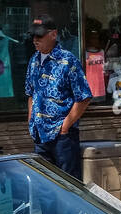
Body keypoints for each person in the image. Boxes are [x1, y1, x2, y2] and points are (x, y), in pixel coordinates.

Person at [25, 15, 93, 179]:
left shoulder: (68, 60)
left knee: (67, 184)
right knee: (45, 184)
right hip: (40, 134)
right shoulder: (34, 60)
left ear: (53, 34)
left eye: (39, 36)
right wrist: (31, 119)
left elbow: (84, 97)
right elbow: (30, 93)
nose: (35, 40)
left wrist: (65, 126)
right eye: (33, 36)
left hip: (62, 137)